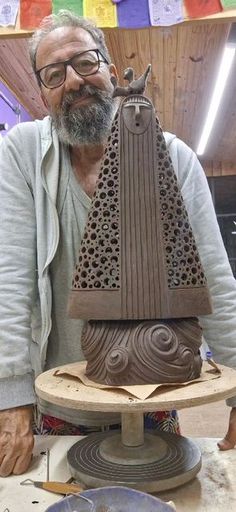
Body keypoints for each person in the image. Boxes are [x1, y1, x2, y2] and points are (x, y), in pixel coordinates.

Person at [0, 10, 236, 478]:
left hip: (156, 396)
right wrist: (11, 398)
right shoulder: (22, 153)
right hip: (60, 401)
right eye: (54, 74)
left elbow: (214, 282)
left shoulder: (172, 157)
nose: (73, 82)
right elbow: (9, 280)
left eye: (85, 63)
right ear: (44, 93)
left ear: (110, 69)